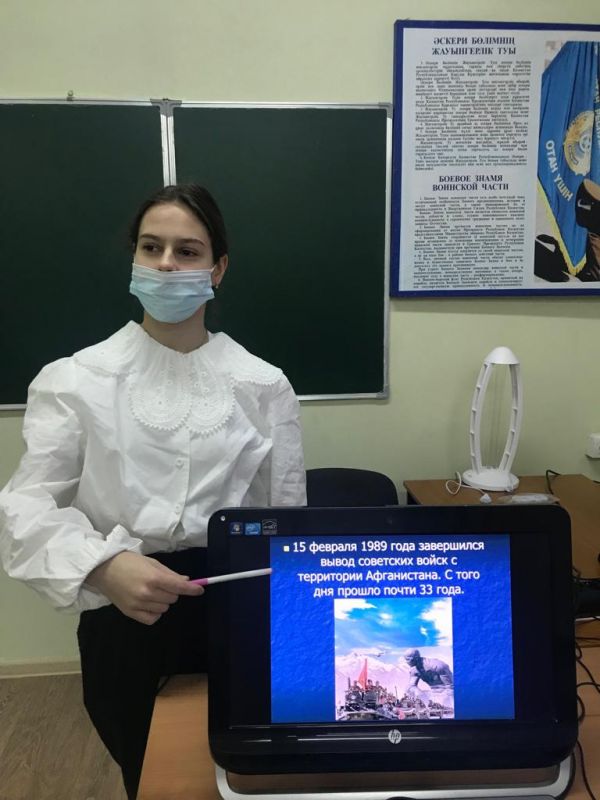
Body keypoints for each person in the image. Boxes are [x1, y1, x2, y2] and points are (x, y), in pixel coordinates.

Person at [0, 184, 306, 799]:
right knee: (149, 773)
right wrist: (103, 565)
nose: (166, 264)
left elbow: (285, 518)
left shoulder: (263, 386)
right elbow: (27, 506)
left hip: (234, 609)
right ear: (135, 259)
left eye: (187, 251)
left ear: (217, 269)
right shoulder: (75, 380)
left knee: (238, 772)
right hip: (122, 612)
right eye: (151, 247)